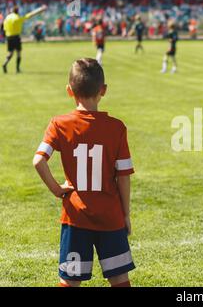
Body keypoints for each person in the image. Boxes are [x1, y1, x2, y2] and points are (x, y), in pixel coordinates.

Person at [33, 58, 135, 287]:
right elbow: (124, 176)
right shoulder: (117, 128)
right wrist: (126, 214)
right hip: (110, 216)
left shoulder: (59, 124)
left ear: (69, 91)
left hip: (75, 216)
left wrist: (57, 189)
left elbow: (38, 161)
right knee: (119, 279)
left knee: (70, 281)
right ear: (103, 90)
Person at [2, 5, 47, 74]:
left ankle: (5, 63)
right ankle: (17, 69)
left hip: (9, 37)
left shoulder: (7, 18)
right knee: (18, 53)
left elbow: (4, 28)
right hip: (16, 37)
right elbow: (30, 15)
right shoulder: (18, 18)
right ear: (18, 11)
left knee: (10, 53)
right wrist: (40, 9)